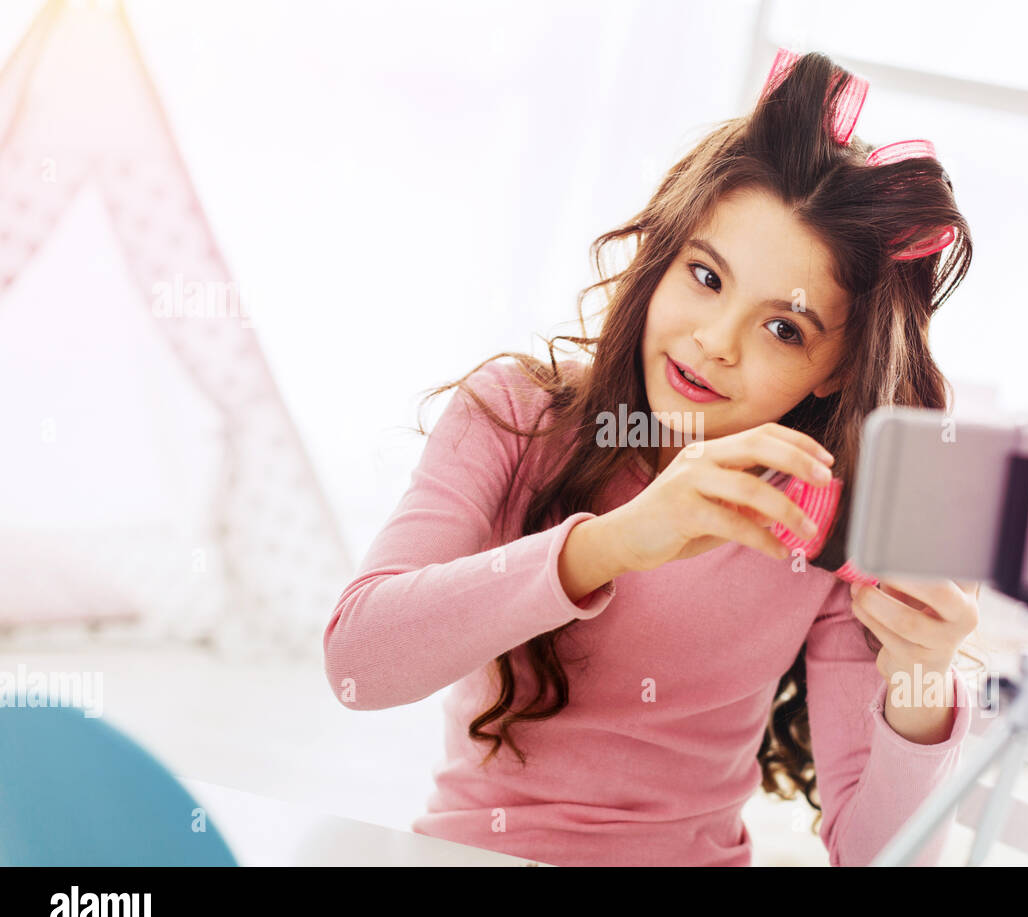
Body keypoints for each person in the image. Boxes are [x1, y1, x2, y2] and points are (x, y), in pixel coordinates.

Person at [324, 49, 984, 866]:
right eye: (706, 277)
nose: (714, 343)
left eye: (785, 329)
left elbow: (887, 860)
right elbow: (357, 666)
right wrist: (617, 543)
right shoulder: (514, 414)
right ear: (662, 256)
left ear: (838, 367)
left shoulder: (824, 516)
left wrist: (924, 678)